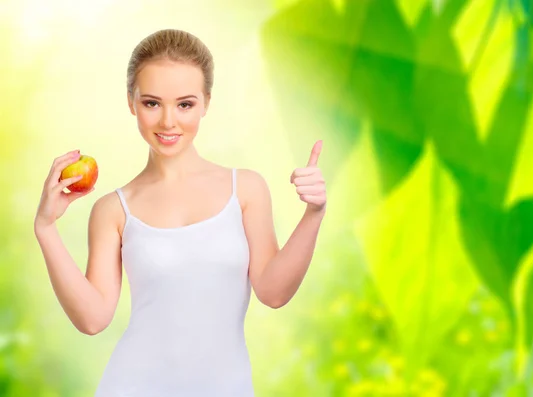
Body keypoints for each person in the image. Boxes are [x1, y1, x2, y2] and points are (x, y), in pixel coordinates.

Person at [33, 28, 327, 396]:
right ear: (131, 102)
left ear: (206, 102)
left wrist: (314, 213)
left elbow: (273, 292)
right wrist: (46, 227)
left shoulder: (246, 189)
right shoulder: (112, 210)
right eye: (152, 103)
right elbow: (93, 319)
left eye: (185, 104)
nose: (168, 121)